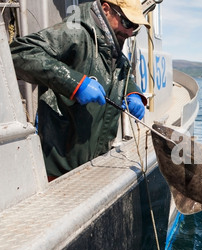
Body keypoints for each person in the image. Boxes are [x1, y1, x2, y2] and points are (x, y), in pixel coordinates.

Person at [10, 0, 150, 181]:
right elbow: (20, 53)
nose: (130, 32)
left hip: (94, 164)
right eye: (127, 23)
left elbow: (120, 71)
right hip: (59, 169)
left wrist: (133, 93)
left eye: (135, 26)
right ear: (106, 10)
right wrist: (74, 83)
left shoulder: (113, 40)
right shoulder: (75, 31)